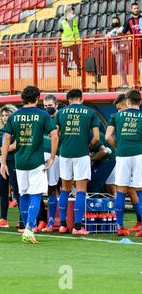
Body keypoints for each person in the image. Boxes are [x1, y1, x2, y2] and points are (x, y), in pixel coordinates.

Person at [0, 86, 58, 244]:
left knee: (23, 195)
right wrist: (52, 157)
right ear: (38, 98)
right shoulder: (43, 115)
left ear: (22, 98)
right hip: (36, 162)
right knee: (36, 194)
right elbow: (54, 135)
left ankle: (26, 228)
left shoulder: (15, 116)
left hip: (20, 161)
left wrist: (3, 162)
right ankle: (29, 228)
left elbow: (6, 138)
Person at [55, 89, 100, 235]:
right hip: (81, 154)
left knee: (65, 188)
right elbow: (97, 138)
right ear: (81, 99)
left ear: (68, 100)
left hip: (65, 153)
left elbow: (55, 134)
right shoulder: (90, 112)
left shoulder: (60, 113)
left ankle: (62, 225)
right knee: (81, 190)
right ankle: (77, 227)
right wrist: (88, 146)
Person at [106, 89, 142, 237]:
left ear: (127, 102)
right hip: (139, 154)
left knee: (120, 190)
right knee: (139, 190)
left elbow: (108, 136)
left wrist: (117, 146)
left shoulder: (116, 116)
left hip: (122, 155)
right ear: (139, 102)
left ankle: (120, 227)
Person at [41, 94, 61, 233]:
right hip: (40, 156)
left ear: (56, 105)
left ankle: (51, 221)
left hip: (56, 156)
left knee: (53, 188)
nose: (47, 108)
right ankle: (40, 220)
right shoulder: (42, 117)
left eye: (50, 106)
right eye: (45, 106)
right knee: (37, 189)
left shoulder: (59, 118)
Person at [107, 17, 129, 88]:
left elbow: (122, 38)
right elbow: (108, 36)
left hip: (121, 51)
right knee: (119, 68)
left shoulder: (121, 29)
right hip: (116, 52)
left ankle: (125, 83)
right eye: (113, 22)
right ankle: (124, 82)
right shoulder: (112, 31)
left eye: (116, 21)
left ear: (119, 22)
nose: (115, 23)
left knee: (120, 67)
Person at [59, 5, 81, 77]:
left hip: (74, 42)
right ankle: (66, 73)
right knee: (65, 58)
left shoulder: (75, 21)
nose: (74, 13)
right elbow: (61, 32)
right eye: (72, 11)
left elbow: (76, 31)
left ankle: (79, 71)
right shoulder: (62, 22)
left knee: (76, 57)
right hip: (65, 43)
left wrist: (78, 41)